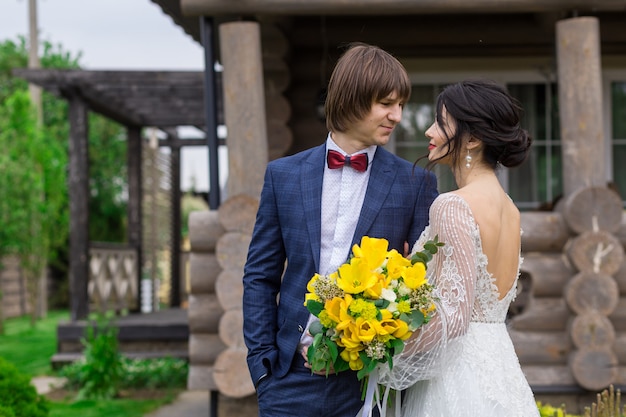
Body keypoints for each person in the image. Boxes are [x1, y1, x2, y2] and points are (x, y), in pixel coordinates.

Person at [242, 42, 438, 417]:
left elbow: (421, 288)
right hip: (286, 381)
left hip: (369, 386)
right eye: (386, 103)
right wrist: (262, 365)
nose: (396, 116)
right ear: (352, 99)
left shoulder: (415, 183)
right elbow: (260, 275)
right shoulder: (282, 176)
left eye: (400, 105)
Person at [377, 79, 539, 416]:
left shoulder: (452, 205)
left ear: (474, 139)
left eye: (441, 123)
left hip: (457, 376)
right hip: (499, 366)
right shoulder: (509, 208)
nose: (429, 132)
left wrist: (381, 347)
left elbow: (454, 317)